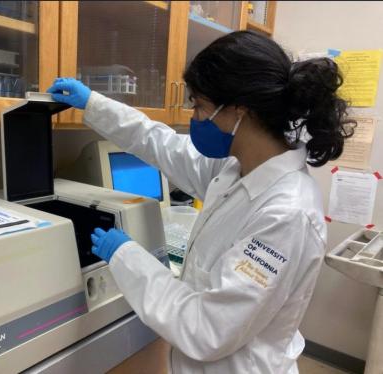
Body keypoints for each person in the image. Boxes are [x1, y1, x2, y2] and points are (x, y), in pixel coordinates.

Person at [48, 31, 354, 374]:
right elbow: (159, 143)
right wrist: (94, 103)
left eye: (199, 106)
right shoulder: (236, 167)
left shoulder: (287, 214)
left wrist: (126, 256)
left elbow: (206, 329)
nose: (194, 117)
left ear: (240, 109)